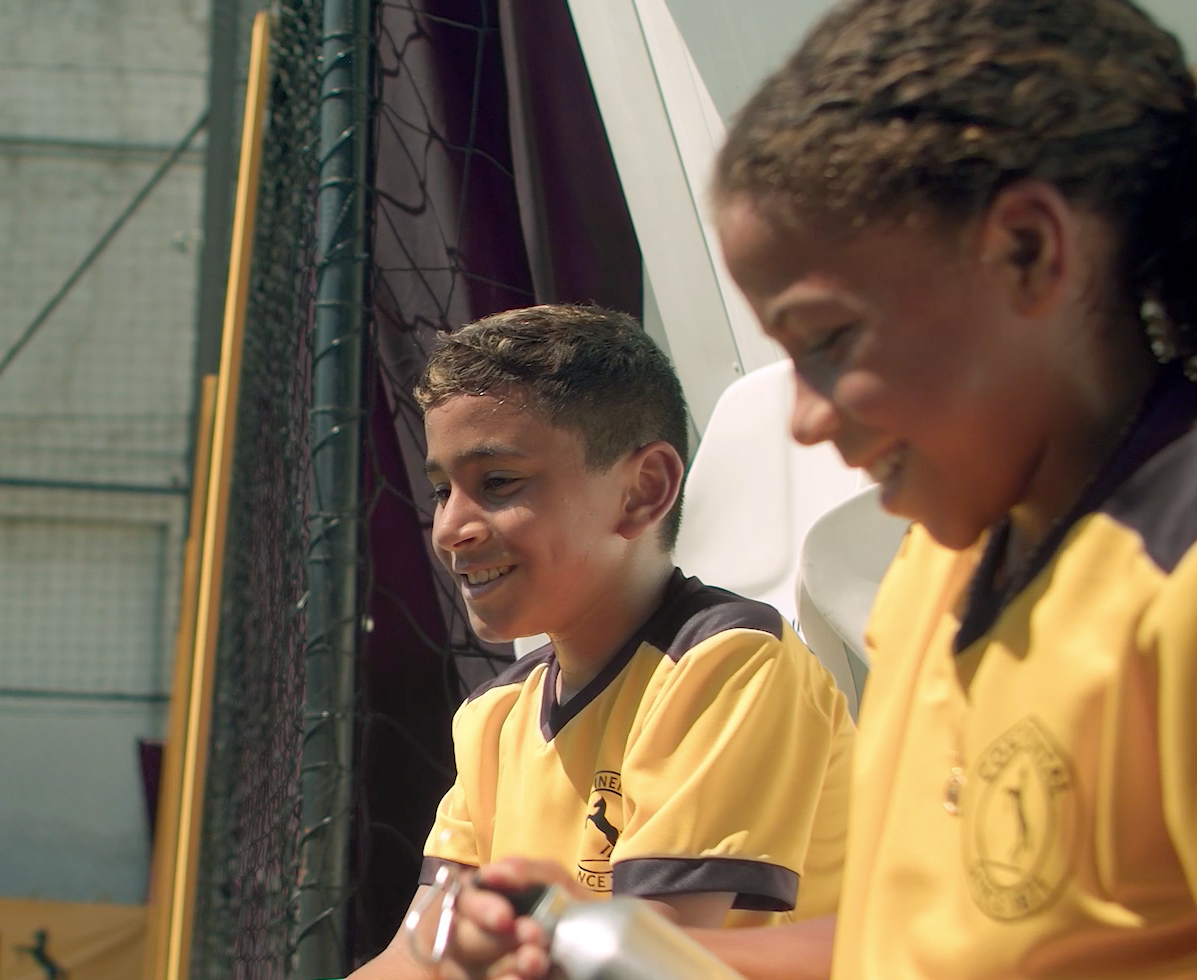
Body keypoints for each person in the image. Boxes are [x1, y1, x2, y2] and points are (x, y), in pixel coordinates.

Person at [434, 1, 1197, 978]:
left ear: (1028, 251)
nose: (803, 418)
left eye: (830, 341)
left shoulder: (1169, 577)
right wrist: (620, 942)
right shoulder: (939, 570)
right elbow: (900, 943)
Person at [348, 305, 856, 979]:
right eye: (442, 490)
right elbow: (416, 959)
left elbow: (645, 960)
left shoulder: (727, 664)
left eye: (496, 483)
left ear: (642, 491)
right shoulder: (492, 717)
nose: (450, 527)